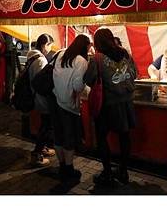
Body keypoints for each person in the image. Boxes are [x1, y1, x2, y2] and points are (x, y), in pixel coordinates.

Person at [84, 28, 138, 186]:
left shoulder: (97, 59)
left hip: (107, 105)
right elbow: (134, 74)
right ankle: (123, 171)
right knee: (124, 136)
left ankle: (107, 172)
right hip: (126, 102)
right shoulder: (125, 53)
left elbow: (89, 79)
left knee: (101, 137)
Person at [52, 34, 92, 182]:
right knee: (69, 137)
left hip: (56, 100)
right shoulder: (81, 61)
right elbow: (77, 85)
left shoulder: (61, 54)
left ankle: (62, 166)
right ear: (85, 46)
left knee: (58, 135)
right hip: (69, 105)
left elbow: (55, 75)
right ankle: (69, 169)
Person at [27, 33, 56, 166]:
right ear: (45, 45)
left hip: (36, 96)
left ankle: (42, 148)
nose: (50, 48)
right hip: (41, 98)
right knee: (46, 126)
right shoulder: (41, 60)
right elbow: (42, 83)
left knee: (44, 125)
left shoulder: (32, 56)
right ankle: (36, 154)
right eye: (50, 45)